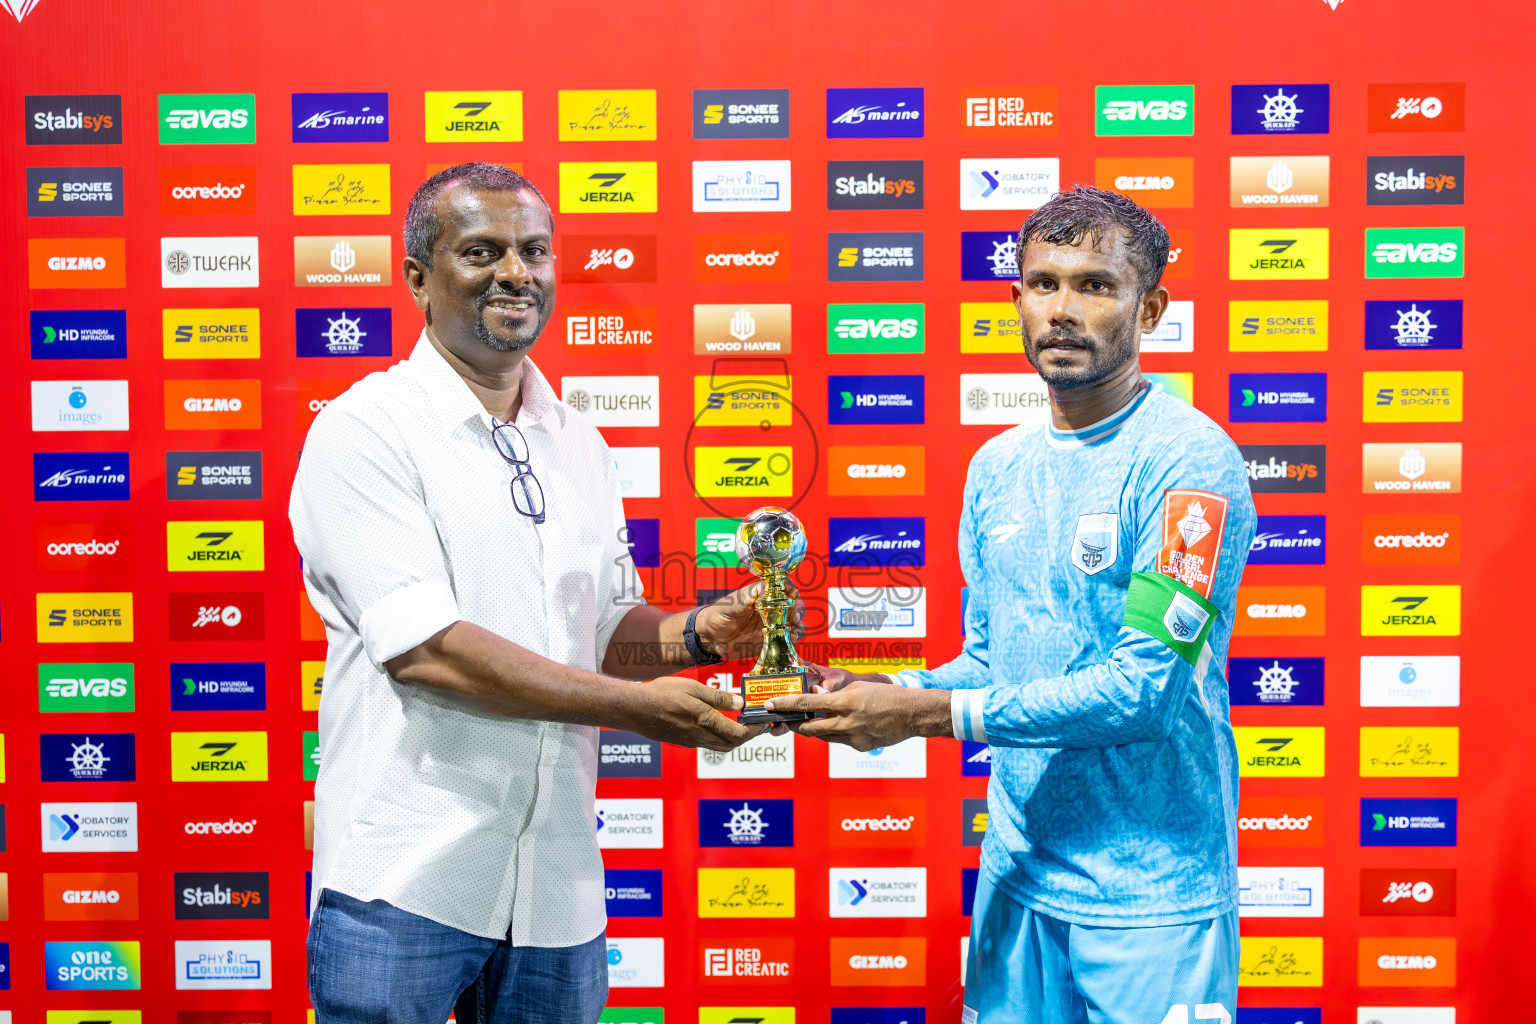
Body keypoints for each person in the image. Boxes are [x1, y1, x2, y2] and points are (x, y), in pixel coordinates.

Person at [290, 163, 773, 1024]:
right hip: (406, 878)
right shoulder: (365, 430)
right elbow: (427, 651)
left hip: (557, 887)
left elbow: (606, 632)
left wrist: (703, 631)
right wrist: (635, 710)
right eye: (482, 252)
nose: (517, 272)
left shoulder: (579, 440)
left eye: (535, 251)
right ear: (418, 279)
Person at [770, 186, 1257, 1024]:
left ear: (1150, 311)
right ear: (1017, 299)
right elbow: (993, 662)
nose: (1062, 310)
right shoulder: (996, 466)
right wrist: (889, 691)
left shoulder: (1189, 463)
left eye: (1095, 286)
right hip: (1017, 879)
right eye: (1044, 284)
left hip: (1151, 898)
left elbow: (1144, 692)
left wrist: (926, 715)